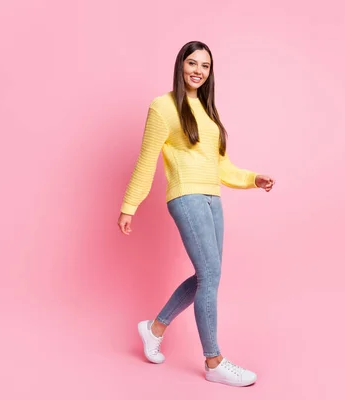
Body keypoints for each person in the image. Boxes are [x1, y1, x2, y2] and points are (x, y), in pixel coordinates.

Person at [117, 40, 275, 387]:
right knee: (210, 274)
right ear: (180, 65)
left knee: (209, 275)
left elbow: (220, 165)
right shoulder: (163, 106)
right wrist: (130, 205)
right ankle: (213, 360)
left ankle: (154, 328)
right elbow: (147, 160)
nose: (198, 71)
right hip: (186, 196)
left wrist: (252, 179)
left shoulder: (207, 111)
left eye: (205, 66)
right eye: (192, 63)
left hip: (212, 198)